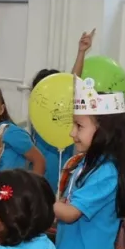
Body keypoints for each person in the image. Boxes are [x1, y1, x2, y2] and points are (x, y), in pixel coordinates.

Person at [55, 78, 125, 249]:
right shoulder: (85, 163)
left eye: (79, 126)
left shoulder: (105, 172)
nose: (72, 133)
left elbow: (70, 213)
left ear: (104, 132)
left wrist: (38, 199)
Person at [31, 29, 93, 194]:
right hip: (40, 182)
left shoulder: (67, 118)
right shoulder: (39, 118)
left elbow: (73, 83)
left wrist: (81, 52)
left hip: (62, 182)